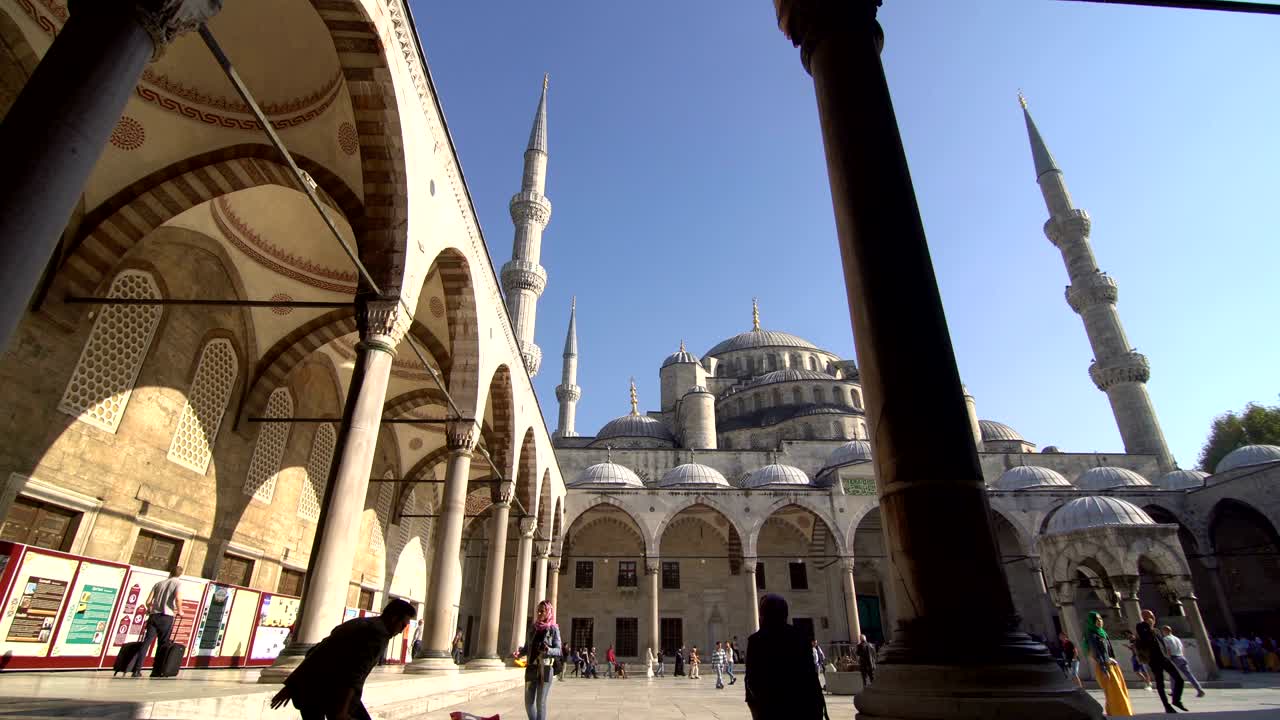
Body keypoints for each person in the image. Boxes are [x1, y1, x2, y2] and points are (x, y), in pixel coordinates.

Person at [270, 599, 416, 720]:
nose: (402, 629)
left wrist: (291, 685)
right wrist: (342, 710)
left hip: (311, 689)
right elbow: (355, 674)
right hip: (330, 691)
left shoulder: (360, 623)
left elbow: (317, 651)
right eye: (403, 624)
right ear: (393, 618)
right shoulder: (378, 634)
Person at [745, 594, 824, 720]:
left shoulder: (757, 640)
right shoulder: (800, 637)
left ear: (763, 615)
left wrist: (757, 709)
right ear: (785, 614)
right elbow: (810, 677)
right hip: (801, 706)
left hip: (770, 708)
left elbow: (752, 680)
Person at [126, 566, 184, 678]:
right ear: (180, 574)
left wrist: (149, 609)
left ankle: (137, 670)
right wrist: (180, 610)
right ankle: (156, 670)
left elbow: (148, 601)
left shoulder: (159, 583)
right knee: (162, 644)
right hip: (166, 616)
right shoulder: (178, 583)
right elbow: (177, 598)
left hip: (153, 616)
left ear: (170, 572)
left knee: (146, 642)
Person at [1137, 609, 1186, 713]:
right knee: (1160, 683)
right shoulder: (1141, 626)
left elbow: (1162, 644)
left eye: (1152, 615)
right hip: (1154, 659)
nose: (1152, 617)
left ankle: (1176, 700)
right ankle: (1167, 705)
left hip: (1164, 658)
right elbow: (1146, 639)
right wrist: (1149, 627)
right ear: (1144, 617)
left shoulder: (1157, 630)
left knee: (1179, 679)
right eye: (1150, 615)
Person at [519, 600, 561, 720]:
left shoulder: (553, 629)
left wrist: (548, 650)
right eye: (538, 611)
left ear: (548, 612)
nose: (539, 613)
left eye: (542, 611)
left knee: (540, 703)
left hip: (545, 668)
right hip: (532, 667)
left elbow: (559, 650)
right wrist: (520, 652)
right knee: (528, 702)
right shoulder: (533, 628)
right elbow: (527, 647)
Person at [1160, 626, 1206, 698]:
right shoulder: (1177, 638)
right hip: (1181, 657)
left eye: (1163, 631)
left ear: (1165, 631)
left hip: (1173, 657)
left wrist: (1168, 658)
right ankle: (1199, 689)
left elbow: (1168, 649)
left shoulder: (1166, 639)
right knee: (1189, 674)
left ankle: (1174, 691)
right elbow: (1182, 648)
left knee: (1172, 675)